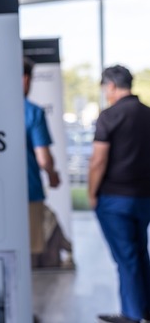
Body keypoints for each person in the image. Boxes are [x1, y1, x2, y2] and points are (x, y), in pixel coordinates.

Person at [89, 65, 150, 323]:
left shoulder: (109, 116)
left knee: (126, 257)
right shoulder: (148, 114)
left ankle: (131, 314)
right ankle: (145, 308)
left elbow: (98, 161)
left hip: (115, 199)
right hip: (145, 197)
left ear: (111, 86)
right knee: (140, 252)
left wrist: (92, 194)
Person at [23, 56, 61, 268]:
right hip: (29, 192)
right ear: (25, 79)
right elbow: (44, 158)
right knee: (28, 254)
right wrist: (53, 176)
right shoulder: (32, 112)